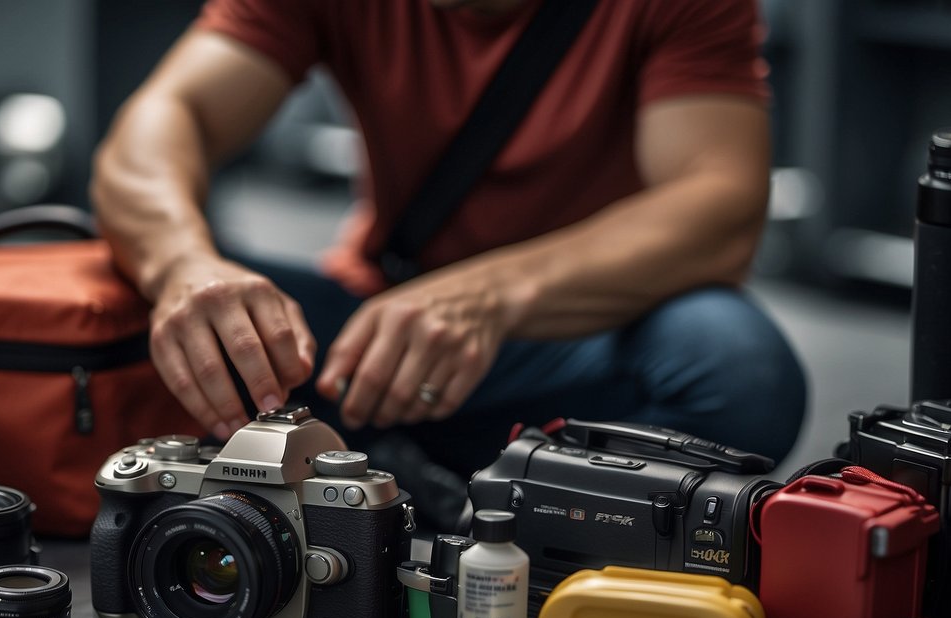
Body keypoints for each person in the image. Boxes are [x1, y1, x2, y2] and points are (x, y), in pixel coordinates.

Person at [91, 0, 807, 520]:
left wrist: (488, 294)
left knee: (737, 373)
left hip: (580, 337)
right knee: (173, 306)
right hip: (374, 334)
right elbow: (163, 120)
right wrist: (187, 267)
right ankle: (475, 487)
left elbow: (719, 206)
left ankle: (383, 472)